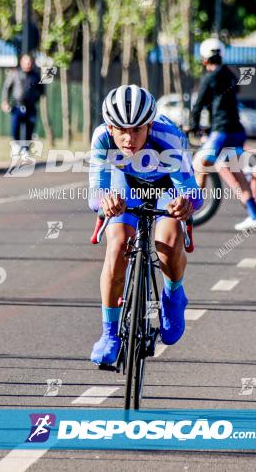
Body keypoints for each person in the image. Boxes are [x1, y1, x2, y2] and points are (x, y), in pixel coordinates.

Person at [88, 85, 201, 366]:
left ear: (149, 125)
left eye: (138, 129)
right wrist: (106, 203)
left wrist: (185, 203)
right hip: (124, 185)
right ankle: (110, 334)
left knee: (168, 244)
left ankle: (174, 296)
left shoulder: (168, 137)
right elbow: (95, 192)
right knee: (116, 247)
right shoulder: (102, 138)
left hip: (166, 186)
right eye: (121, 129)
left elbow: (192, 192)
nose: (129, 138)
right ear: (110, 127)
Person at [190, 38, 256, 231]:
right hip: (237, 131)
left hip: (222, 131)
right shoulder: (229, 74)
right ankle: (254, 215)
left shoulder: (209, 78)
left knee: (200, 161)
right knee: (236, 173)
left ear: (204, 60)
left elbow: (197, 106)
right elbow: (226, 97)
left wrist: (191, 126)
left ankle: (191, 208)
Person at [2, 54, 44, 154]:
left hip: (31, 107)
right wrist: (5, 102)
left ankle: (26, 149)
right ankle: (16, 146)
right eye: (26, 62)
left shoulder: (36, 75)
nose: (28, 64)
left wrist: (35, 98)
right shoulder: (15, 73)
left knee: (29, 129)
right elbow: (6, 88)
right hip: (17, 106)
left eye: (30, 62)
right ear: (21, 62)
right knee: (15, 127)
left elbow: (41, 90)